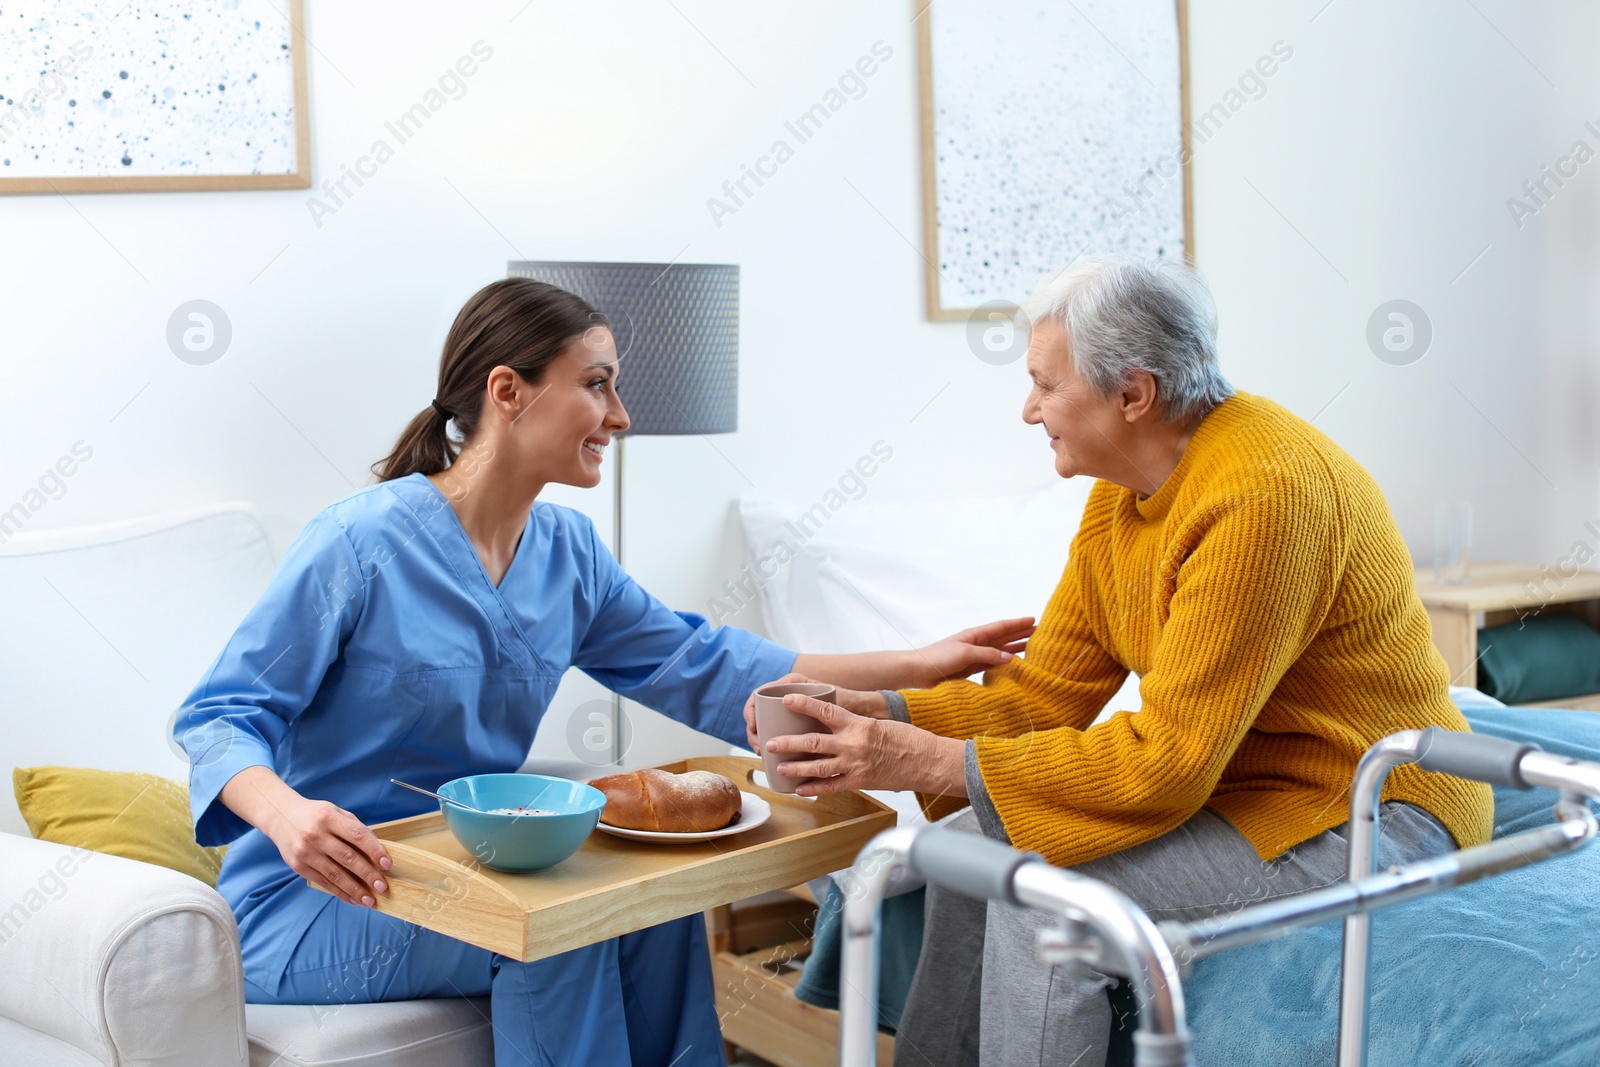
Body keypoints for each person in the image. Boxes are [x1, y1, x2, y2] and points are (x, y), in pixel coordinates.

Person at [175, 277, 1034, 1066]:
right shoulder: (358, 543)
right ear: (508, 392)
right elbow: (220, 713)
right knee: (570, 926)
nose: (620, 415)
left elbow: (706, 663)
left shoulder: (567, 552)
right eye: (597, 383)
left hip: (465, 871)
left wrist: (921, 664)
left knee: (652, 903)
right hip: (319, 899)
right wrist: (287, 814)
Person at [753, 256, 1495, 1066]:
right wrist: (885, 716)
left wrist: (920, 757)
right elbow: (1044, 693)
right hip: (1238, 784)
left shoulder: (1265, 496)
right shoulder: (1124, 488)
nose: (1028, 409)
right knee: (967, 859)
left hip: (1366, 805)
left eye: (1044, 384)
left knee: (1050, 911)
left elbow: (1170, 762)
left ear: (1133, 394)